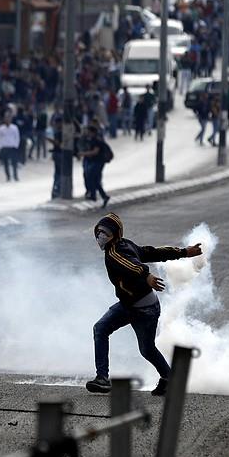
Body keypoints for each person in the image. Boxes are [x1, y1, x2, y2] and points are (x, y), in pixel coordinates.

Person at [86, 213, 203, 396]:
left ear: (115, 234)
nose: (101, 236)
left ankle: (102, 378)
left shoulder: (114, 252)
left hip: (138, 308)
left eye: (106, 232)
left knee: (101, 329)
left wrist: (145, 275)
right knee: (147, 349)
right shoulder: (126, 244)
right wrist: (183, 252)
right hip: (145, 304)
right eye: (99, 232)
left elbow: (131, 265)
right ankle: (169, 379)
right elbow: (152, 252)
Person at [79, 125, 111, 207]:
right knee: (94, 180)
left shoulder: (97, 141)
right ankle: (102, 196)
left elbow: (95, 152)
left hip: (98, 162)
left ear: (92, 132)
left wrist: (83, 154)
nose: (87, 133)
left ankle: (95, 195)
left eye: (88, 132)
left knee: (91, 178)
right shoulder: (91, 140)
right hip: (93, 162)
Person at [0, 113, 20, 181]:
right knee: (5, 163)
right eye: (6, 119)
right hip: (4, 147)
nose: (7, 120)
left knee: (14, 162)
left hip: (12, 147)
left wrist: (16, 145)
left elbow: (17, 137)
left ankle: (15, 176)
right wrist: (0, 146)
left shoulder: (14, 128)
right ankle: (8, 176)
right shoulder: (1, 128)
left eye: (8, 119)